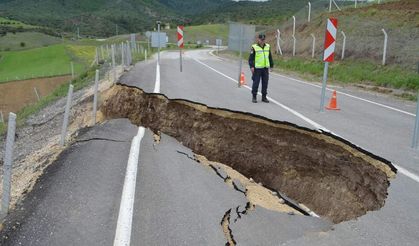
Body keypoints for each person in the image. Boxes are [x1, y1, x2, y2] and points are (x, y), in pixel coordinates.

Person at [248, 33, 274, 103]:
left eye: (263, 40)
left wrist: (271, 66)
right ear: (258, 39)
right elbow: (250, 59)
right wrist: (252, 66)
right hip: (257, 68)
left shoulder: (267, 46)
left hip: (265, 68)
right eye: (261, 39)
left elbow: (270, 57)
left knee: (265, 83)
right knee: (256, 83)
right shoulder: (254, 47)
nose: (262, 41)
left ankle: (264, 97)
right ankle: (254, 97)